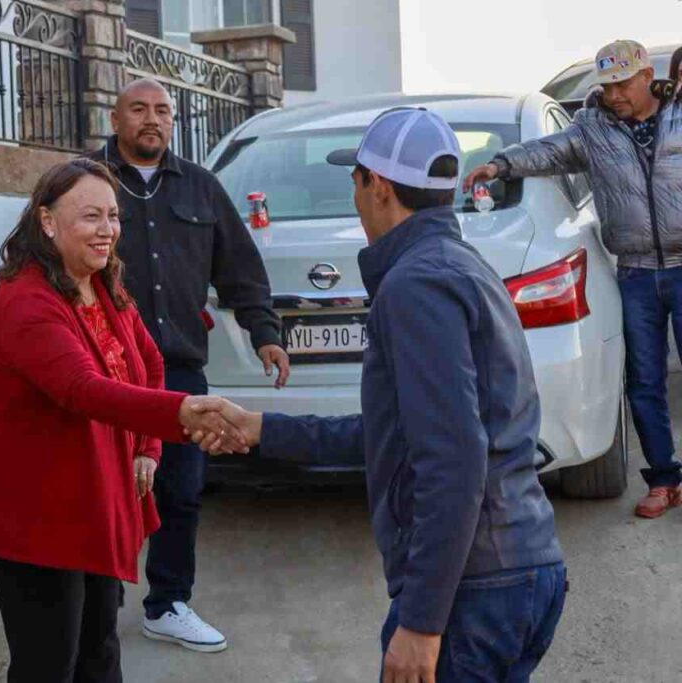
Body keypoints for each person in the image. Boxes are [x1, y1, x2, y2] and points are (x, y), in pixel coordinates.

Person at [193, 108, 566, 682]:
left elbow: (454, 458)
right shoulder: (462, 265)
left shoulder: (416, 284)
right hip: (516, 570)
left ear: (380, 187)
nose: (355, 195)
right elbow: (400, 435)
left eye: (356, 180)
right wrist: (261, 429)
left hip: (476, 589)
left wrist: (422, 622)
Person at [0, 158, 245, 683]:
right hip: (31, 509)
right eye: (90, 216)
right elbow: (81, 390)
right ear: (47, 220)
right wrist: (181, 413)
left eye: (113, 216)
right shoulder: (24, 302)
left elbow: (149, 363)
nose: (108, 230)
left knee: (100, 646)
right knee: (50, 660)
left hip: (90, 495)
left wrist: (148, 447)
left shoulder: (101, 284)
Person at [84, 77, 289, 652]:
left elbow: (240, 268)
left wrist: (265, 333)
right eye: (139, 109)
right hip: (100, 368)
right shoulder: (85, 182)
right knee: (101, 490)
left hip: (176, 369)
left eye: (162, 111)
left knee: (180, 490)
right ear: (115, 118)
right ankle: (97, 603)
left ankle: (168, 603)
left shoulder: (202, 188)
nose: (152, 119)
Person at [464, 39, 682, 519]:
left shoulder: (679, 115)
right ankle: (665, 481)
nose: (614, 94)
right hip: (636, 273)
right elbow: (548, 151)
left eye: (622, 84)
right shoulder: (592, 128)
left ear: (647, 76)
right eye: (607, 85)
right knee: (644, 382)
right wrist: (500, 164)